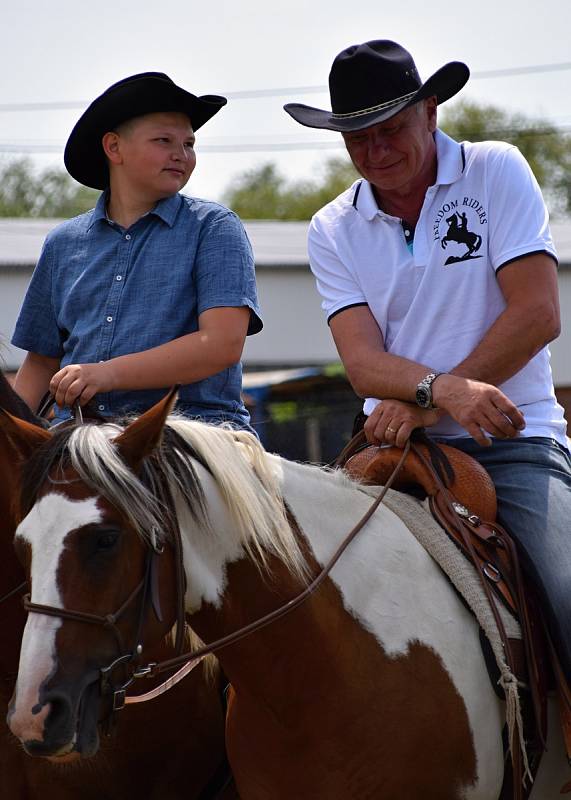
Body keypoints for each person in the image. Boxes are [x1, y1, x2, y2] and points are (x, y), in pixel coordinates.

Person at [284, 40, 571, 677]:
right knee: (291, 593)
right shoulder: (332, 227)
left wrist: (434, 396)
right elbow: (362, 363)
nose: (375, 151)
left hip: (513, 439)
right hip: (388, 445)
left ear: (431, 112)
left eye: (390, 130)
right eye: (357, 139)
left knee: (568, 591)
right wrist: (442, 394)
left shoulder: (496, 169)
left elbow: (537, 314)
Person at [12, 72, 262, 430]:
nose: (181, 155)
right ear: (114, 148)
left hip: (194, 430)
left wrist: (106, 374)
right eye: (164, 140)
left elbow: (220, 344)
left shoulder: (214, 227)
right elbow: (40, 362)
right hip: (81, 435)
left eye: (189, 144)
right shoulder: (61, 244)